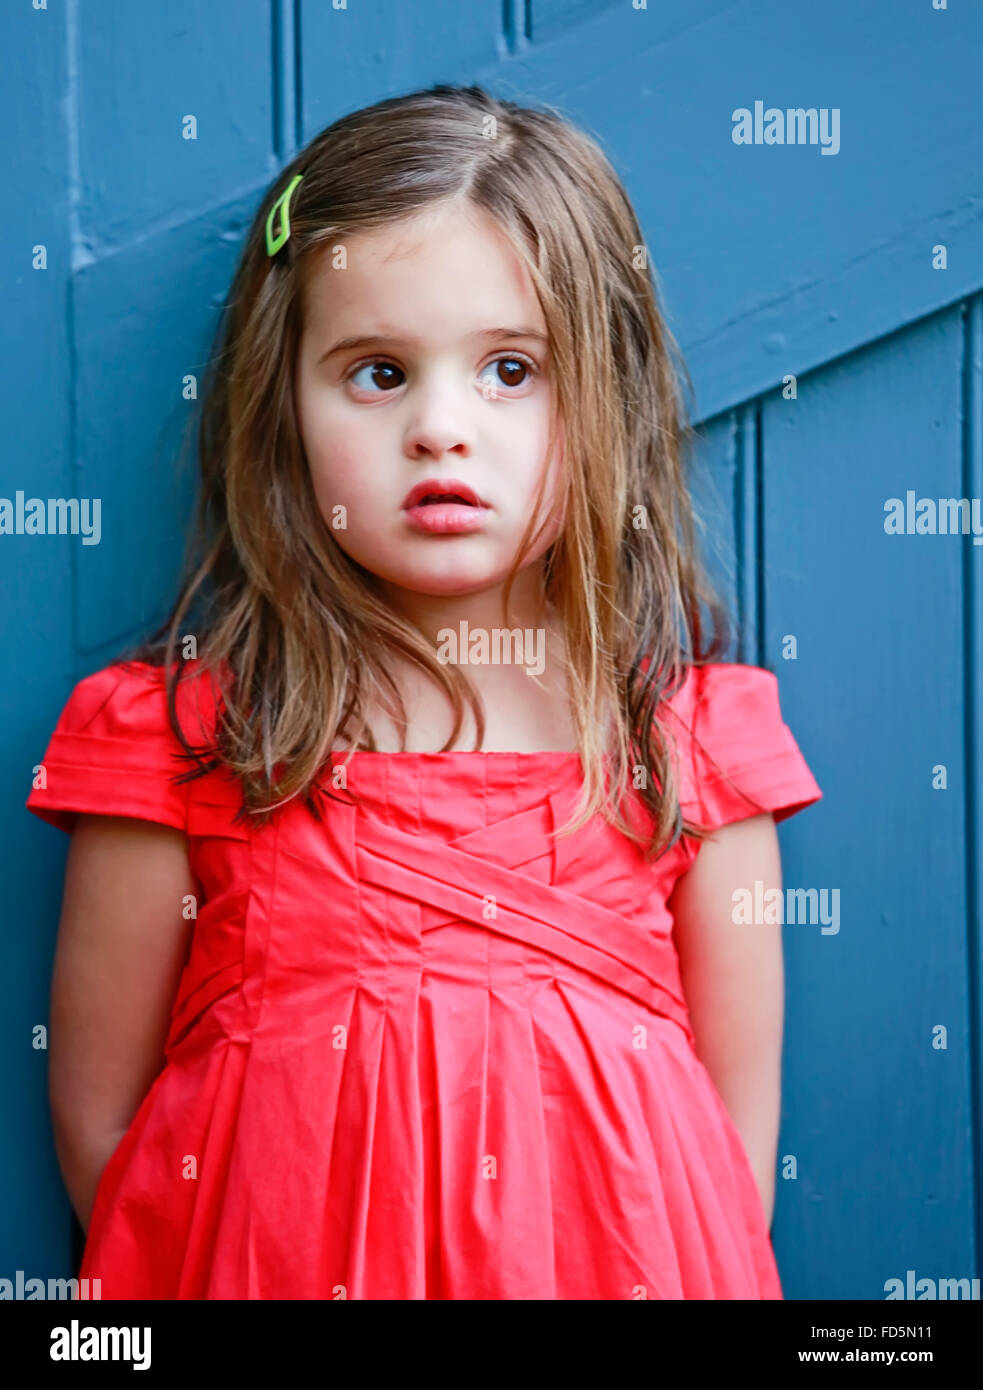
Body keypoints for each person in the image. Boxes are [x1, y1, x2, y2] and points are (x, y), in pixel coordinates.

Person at [26, 83, 821, 1299]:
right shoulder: (184, 739)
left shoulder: (692, 749)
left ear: (602, 391)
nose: (441, 428)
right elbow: (105, 1145)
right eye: (377, 372)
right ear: (281, 404)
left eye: (510, 368)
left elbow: (725, 1161)